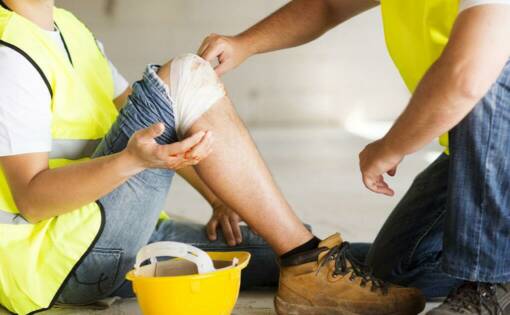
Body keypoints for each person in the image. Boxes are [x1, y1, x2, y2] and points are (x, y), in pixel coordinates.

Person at [0, 1, 426, 315]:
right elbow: (33, 200)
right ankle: (305, 259)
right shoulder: (10, 52)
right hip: (62, 262)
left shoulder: (70, 30)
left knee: (322, 253)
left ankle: (469, 283)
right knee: (184, 73)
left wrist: (221, 198)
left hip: (107, 235)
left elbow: (157, 117)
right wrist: (131, 163)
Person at [199, 0, 510, 314]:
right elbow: (327, 5)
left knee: (488, 60)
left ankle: (491, 286)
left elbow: (468, 75)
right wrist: (245, 44)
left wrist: (393, 145)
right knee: (398, 270)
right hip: (476, 154)